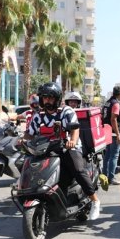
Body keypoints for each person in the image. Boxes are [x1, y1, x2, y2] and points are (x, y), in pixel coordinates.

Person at [24, 83, 100, 221]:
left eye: (50, 98)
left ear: (57, 99)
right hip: (46, 149)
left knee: (77, 170)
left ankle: (94, 200)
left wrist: (72, 141)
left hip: (67, 147)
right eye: (45, 98)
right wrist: (22, 139)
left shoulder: (67, 111)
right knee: (31, 167)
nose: (47, 101)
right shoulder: (38, 116)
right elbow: (29, 134)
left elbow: (75, 129)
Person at [101, 86, 120, 186]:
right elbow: (113, 119)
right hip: (114, 132)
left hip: (107, 131)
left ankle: (104, 175)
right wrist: (118, 134)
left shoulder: (107, 102)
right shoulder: (116, 104)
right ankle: (111, 178)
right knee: (114, 155)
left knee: (107, 155)